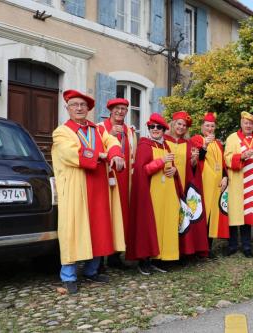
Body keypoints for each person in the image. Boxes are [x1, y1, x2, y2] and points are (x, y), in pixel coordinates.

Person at [51, 90, 125, 294]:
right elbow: (69, 152)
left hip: (99, 186)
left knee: (99, 227)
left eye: (83, 105)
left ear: (88, 108)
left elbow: (113, 142)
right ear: (67, 108)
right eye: (74, 104)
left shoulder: (98, 130)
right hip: (76, 188)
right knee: (73, 230)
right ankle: (68, 276)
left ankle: (92, 271)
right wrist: (101, 155)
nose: (79, 108)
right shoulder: (62, 131)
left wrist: (116, 153)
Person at [125, 113, 170, 275]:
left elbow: (169, 166)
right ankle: (143, 261)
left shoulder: (165, 146)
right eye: (152, 127)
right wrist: (161, 162)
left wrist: (173, 169)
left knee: (158, 226)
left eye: (159, 127)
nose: (155, 130)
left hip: (163, 193)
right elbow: (142, 170)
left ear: (164, 129)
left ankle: (154, 259)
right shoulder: (145, 145)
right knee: (146, 226)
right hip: (148, 192)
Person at [97, 98, 137, 271]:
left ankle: (115, 256)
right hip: (104, 178)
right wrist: (112, 135)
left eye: (124, 109)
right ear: (110, 110)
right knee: (104, 216)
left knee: (121, 217)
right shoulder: (99, 128)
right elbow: (98, 150)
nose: (121, 112)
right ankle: (98, 259)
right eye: (117, 108)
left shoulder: (130, 131)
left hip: (124, 180)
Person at [164, 111, 209, 261]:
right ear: (173, 124)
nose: (181, 127)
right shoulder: (163, 140)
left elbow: (193, 168)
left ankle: (184, 251)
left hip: (184, 186)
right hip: (168, 186)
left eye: (184, 125)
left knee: (183, 218)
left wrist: (194, 161)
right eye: (179, 124)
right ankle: (169, 251)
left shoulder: (188, 144)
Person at [224, 111, 253, 258]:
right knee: (233, 214)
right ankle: (232, 245)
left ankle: (247, 246)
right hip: (236, 181)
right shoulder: (232, 138)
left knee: (247, 215)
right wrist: (241, 156)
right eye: (245, 123)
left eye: (250, 123)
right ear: (241, 123)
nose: (248, 125)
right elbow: (227, 158)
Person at [190, 112, 229, 258]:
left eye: (212, 126)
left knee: (213, 215)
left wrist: (225, 177)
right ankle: (199, 249)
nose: (210, 128)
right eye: (207, 126)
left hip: (217, 184)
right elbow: (197, 159)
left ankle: (208, 248)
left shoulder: (218, 143)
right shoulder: (196, 139)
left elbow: (223, 163)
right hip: (203, 182)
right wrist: (205, 144)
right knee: (202, 214)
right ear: (202, 127)